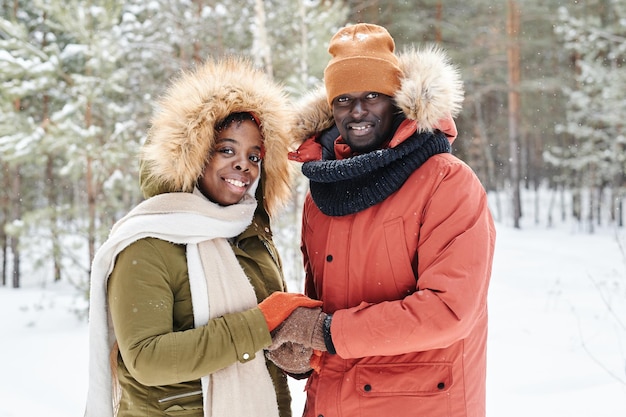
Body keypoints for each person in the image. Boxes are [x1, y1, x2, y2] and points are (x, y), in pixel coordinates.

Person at [268, 23, 496, 417]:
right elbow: (327, 307)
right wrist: (306, 351)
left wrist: (325, 332)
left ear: (397, 100)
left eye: (372, 96)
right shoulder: (323, 192)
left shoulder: (446, 181)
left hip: (417, 404)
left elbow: (448, 311)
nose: (357, 112)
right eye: (343, 99)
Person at [84, 57, 321, 417]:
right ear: (191, 155)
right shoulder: (148, 241)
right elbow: (147, 359)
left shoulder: (252, 237)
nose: (243, 165)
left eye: (254, 156)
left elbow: (262, 343)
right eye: (226, 150)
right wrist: (259, 324)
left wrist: (292, 354)